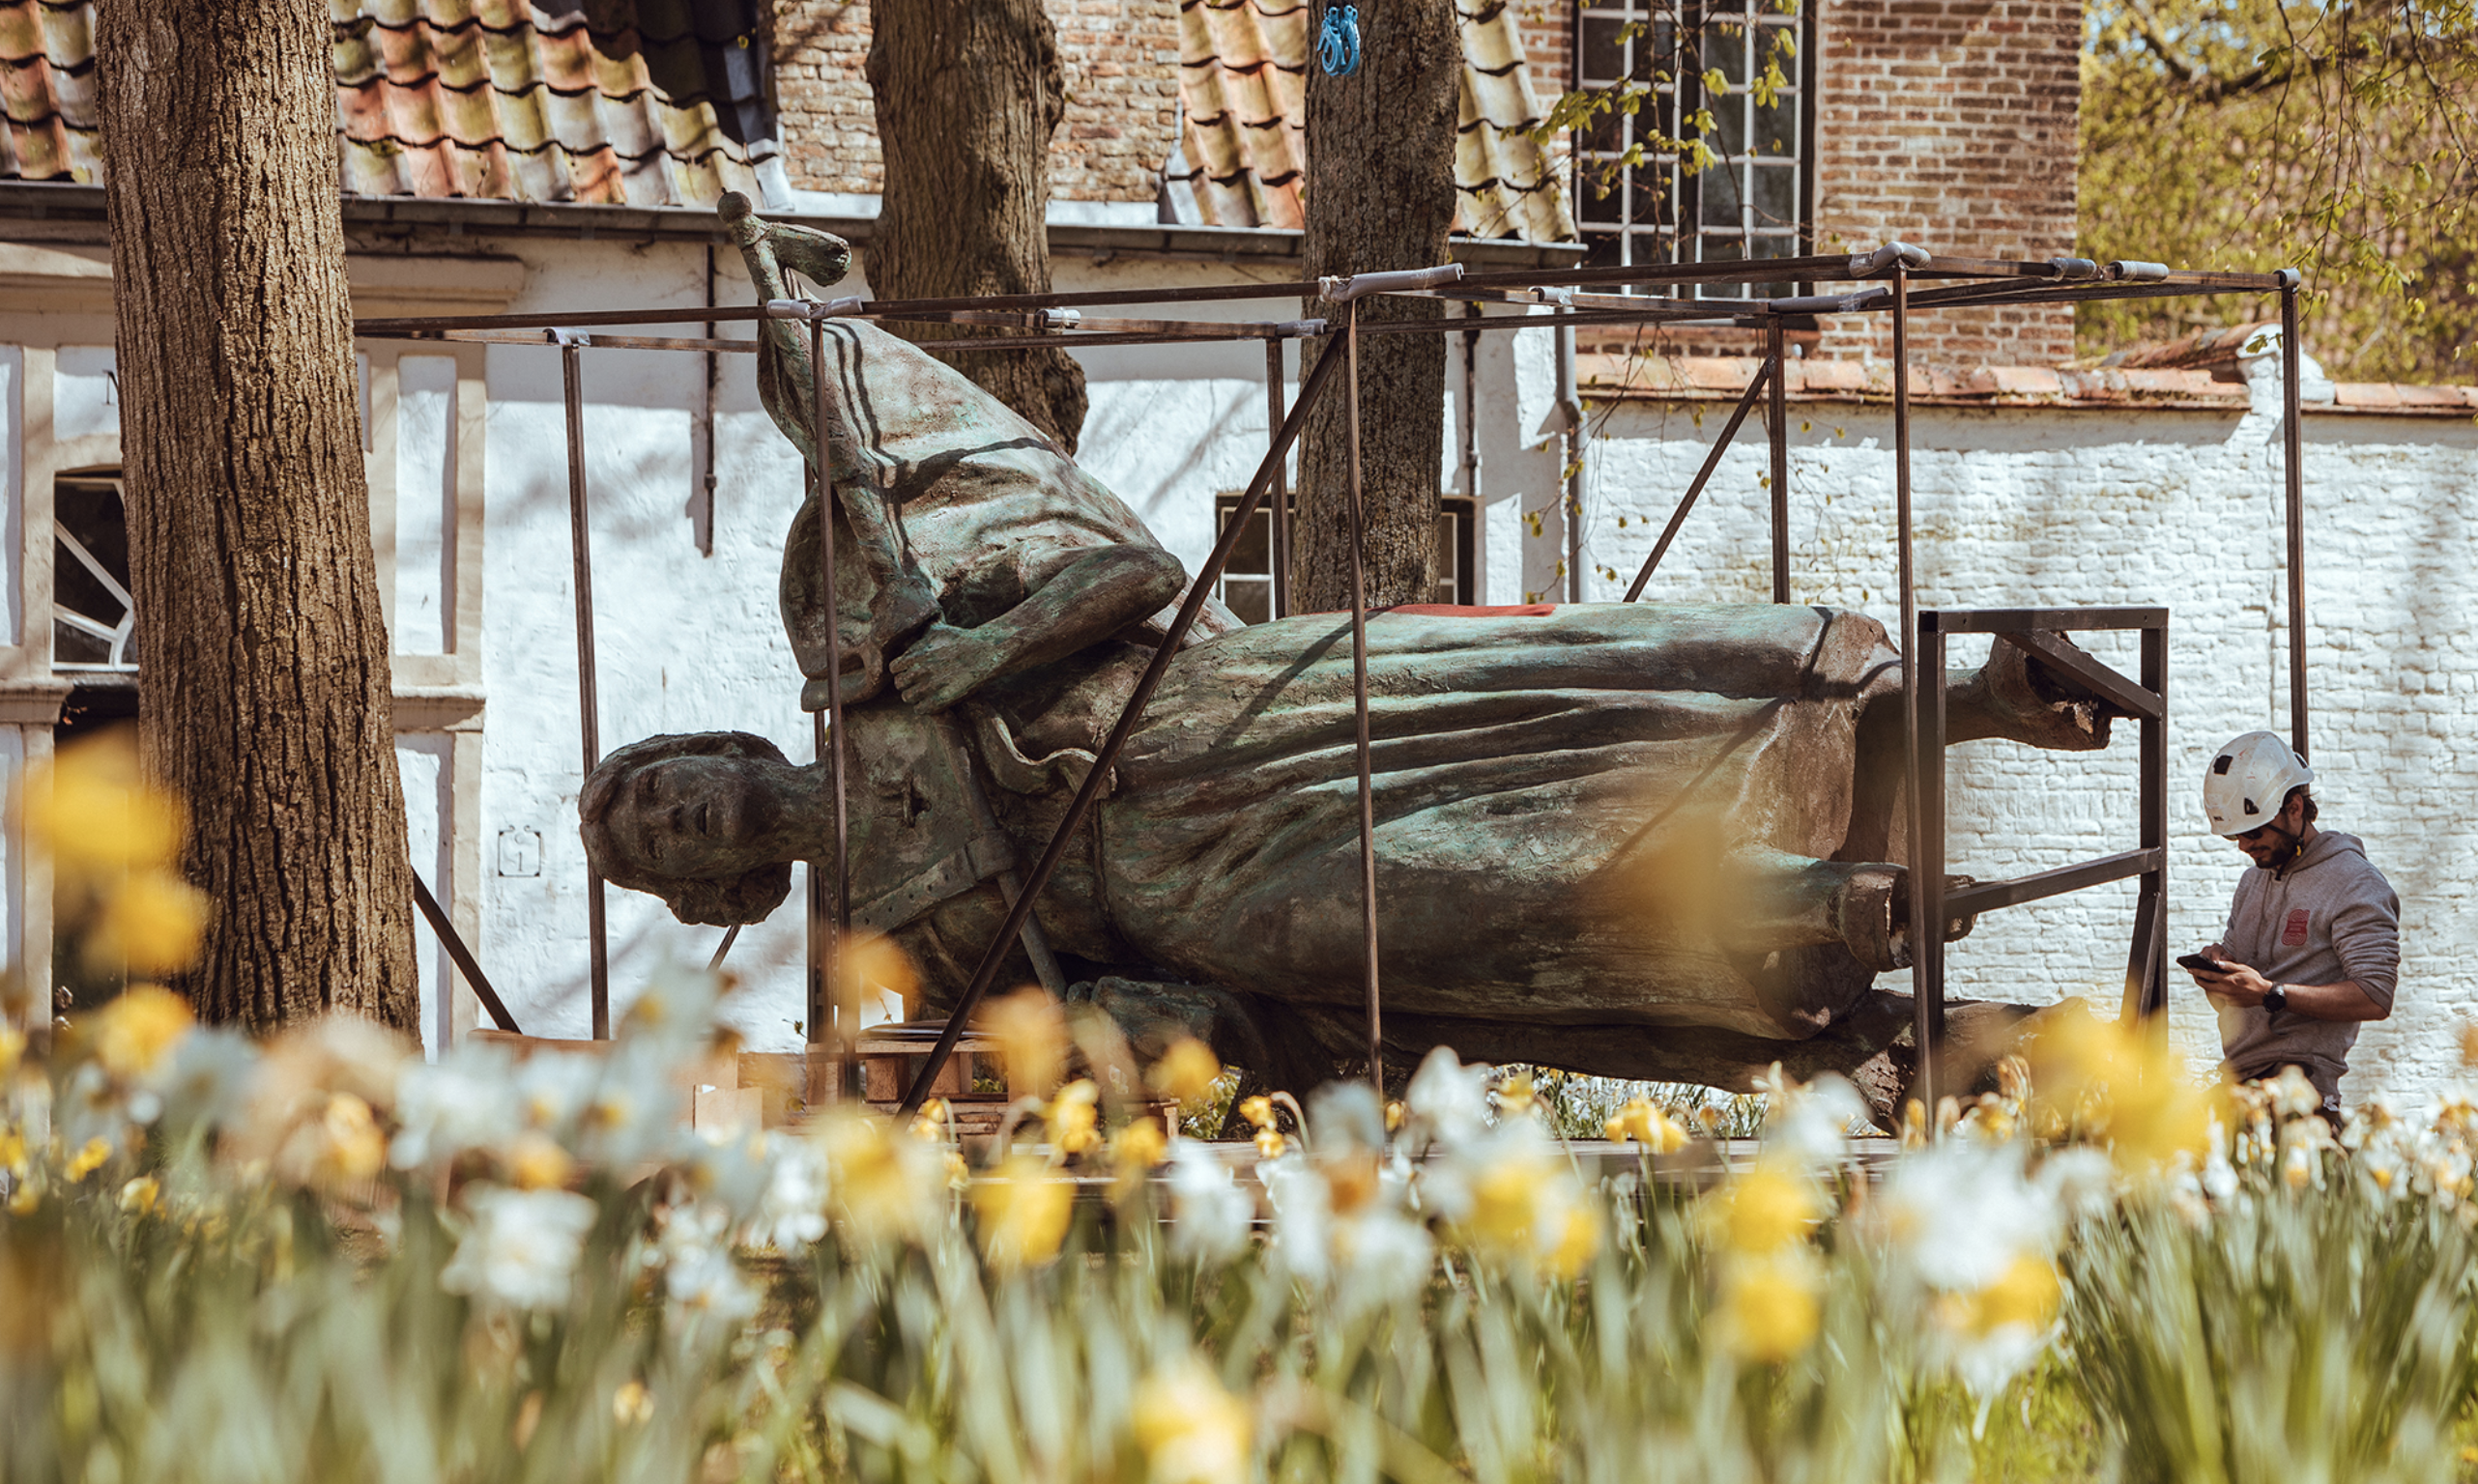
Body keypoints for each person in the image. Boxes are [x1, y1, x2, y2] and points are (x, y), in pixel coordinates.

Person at [2186, 730, 2398, 1117]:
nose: (2243, 846)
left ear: (2295, 808)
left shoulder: (2354, 882)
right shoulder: (2253, 881)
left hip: (2301, 1093)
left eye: (2253, 832)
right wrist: (2220, 975)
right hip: (2238, 1086)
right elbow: (2234, 1000)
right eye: (2235, 835)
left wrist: (2271, 992)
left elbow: (2375, 995)